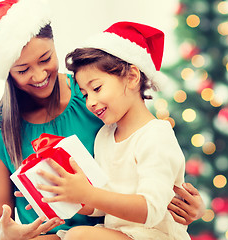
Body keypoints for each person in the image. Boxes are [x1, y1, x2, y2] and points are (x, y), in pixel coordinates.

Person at [0, 0, 204, 239]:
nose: (38, 75)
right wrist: (6, 234)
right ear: (7, 72)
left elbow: (153, 162)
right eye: (23, 70)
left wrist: (188, 206)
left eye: (45, 59)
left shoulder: (95, 92)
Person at [34, 22, 200, 240]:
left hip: (154, 235)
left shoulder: (156, 135)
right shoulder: (104, 136)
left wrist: (89, 193)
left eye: (96, 88)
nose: (90, 102)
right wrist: (67, 194)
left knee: (78, 236)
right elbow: (101, 207)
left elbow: (151, 210)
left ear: (132, 77)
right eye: (84, 94)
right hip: (119, 233)